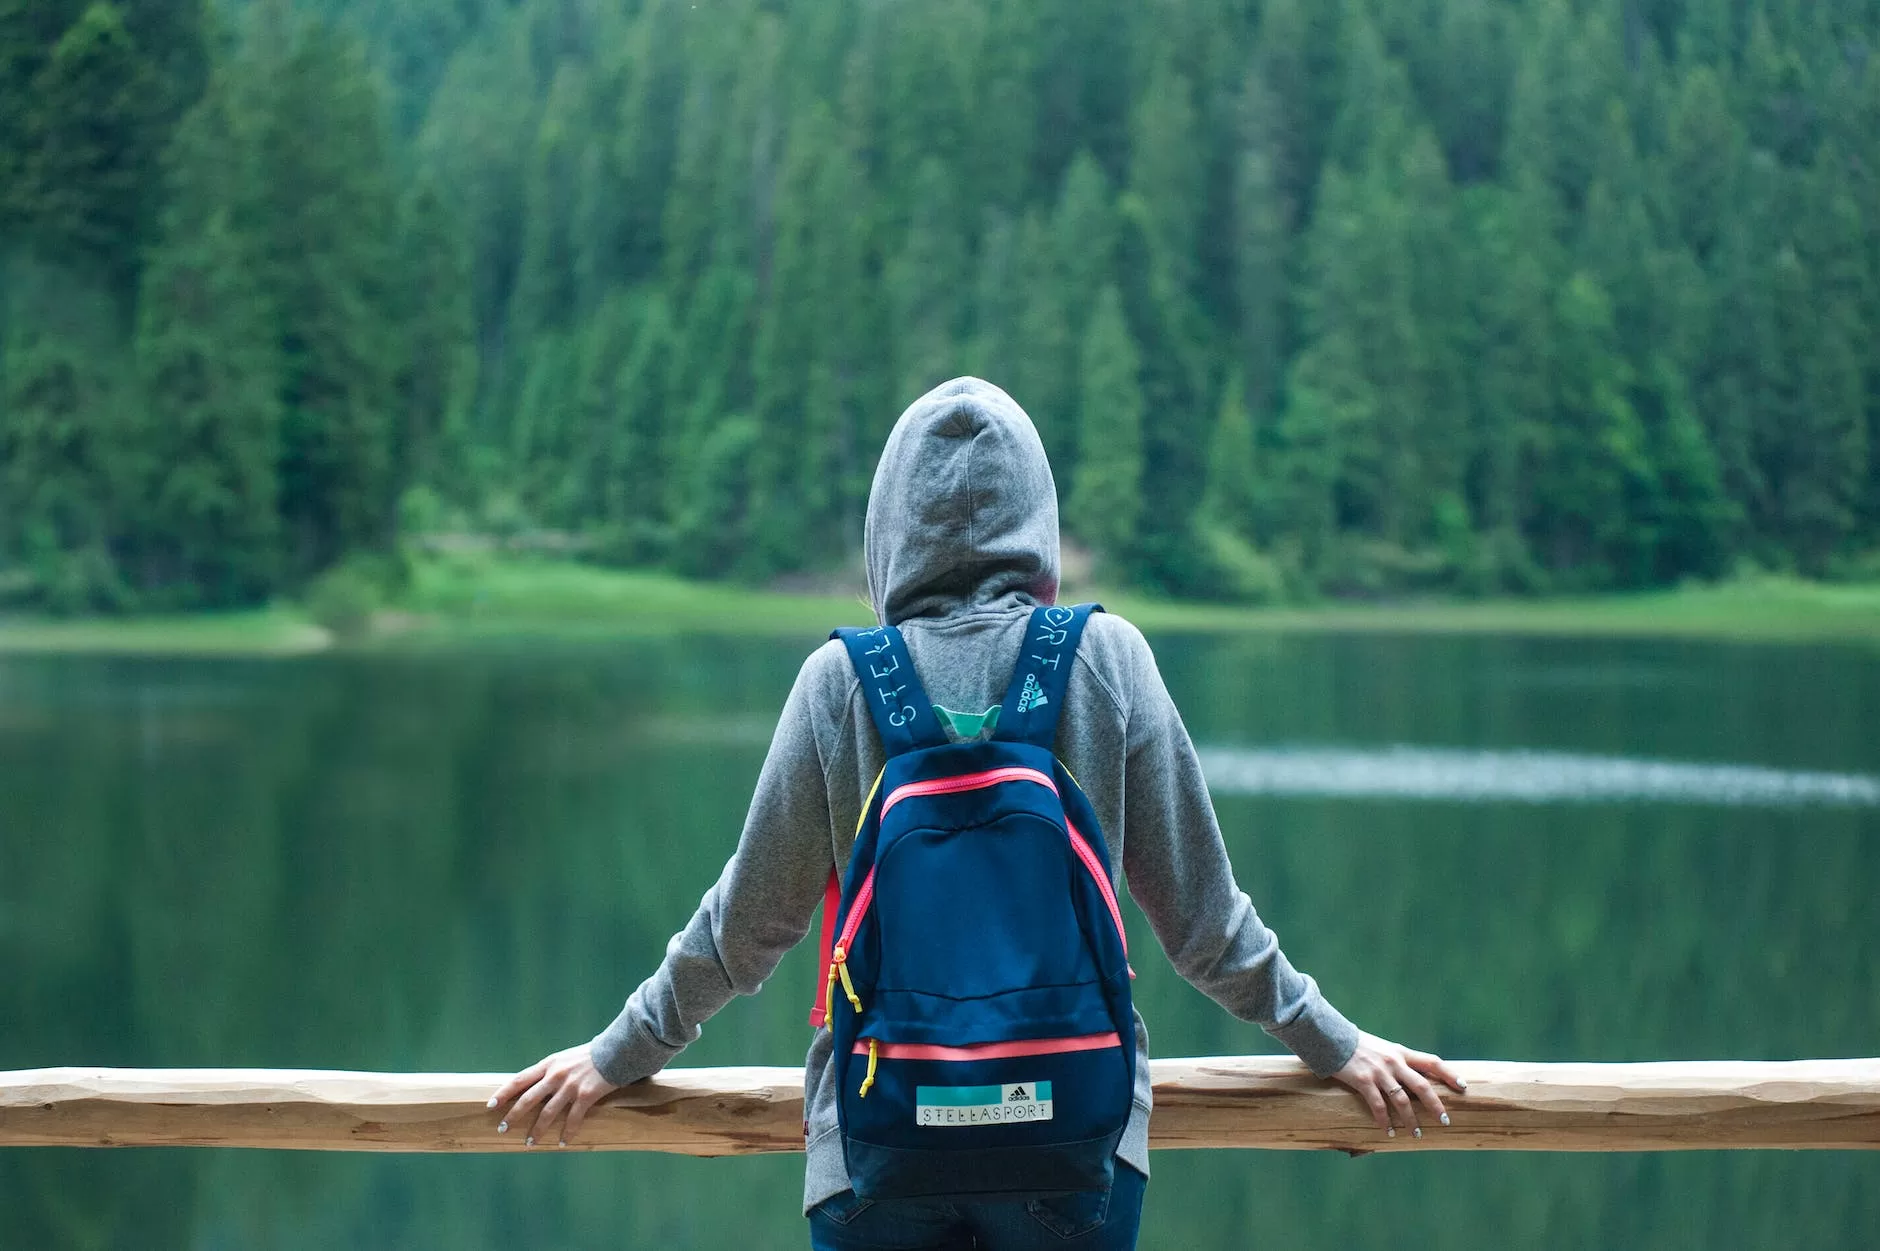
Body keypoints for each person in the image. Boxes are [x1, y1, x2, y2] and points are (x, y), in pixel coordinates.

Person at [490, 377, 1465, 1249]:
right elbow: (1205, 930)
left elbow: (745, 932)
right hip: (1071, 1147)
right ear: (1037, 518)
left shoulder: (839, 682)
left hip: (879, 1153)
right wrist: (1336, 1044)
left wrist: (615, 1055)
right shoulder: (1105, 659)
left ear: (886, 526)